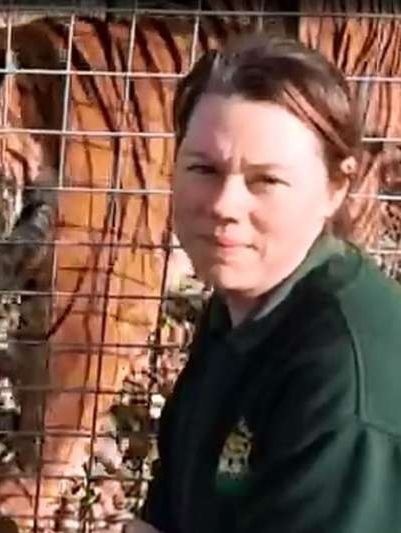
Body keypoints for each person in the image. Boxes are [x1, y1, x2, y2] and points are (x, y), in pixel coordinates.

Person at [139, 33, 401, 533]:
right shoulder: (246, 306)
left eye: (266, 180)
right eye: (203, 169)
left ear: (337, 187)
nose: (223, 205)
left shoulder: (342, 380)